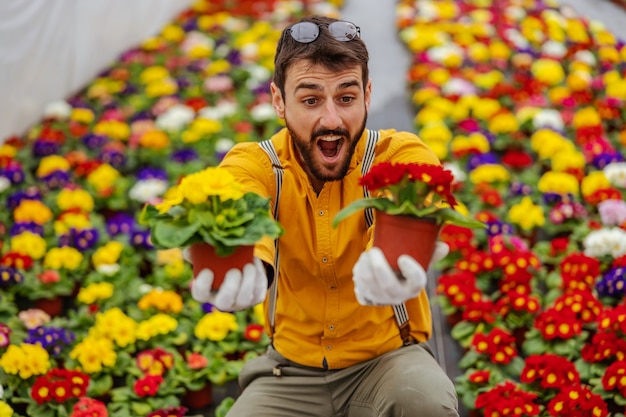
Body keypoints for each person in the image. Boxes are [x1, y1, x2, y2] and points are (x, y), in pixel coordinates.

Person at [189, 14, 460, 417]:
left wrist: (391, 256)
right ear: (279, 101)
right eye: (311, 99)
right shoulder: (256, 164)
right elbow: (234, 196)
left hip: (387, 362)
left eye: (346, 98)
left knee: (424, 402)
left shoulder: (397, 153)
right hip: (289, 373)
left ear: (368, 95)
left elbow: (423, 195)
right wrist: (242, 256)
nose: (331, 120)